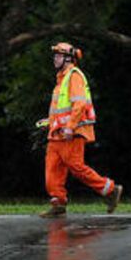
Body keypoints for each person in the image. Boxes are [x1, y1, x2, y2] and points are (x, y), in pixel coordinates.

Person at [38, 42, 122, 218]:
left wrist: (70, 127)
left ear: (69, 59)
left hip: (72, 133)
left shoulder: (74, 76)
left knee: (76, 167)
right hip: (57, 134)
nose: (55, 59)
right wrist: (49, 122)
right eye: (55, 56)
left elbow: (80, 104)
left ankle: (110, 190)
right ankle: (58, 204)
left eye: (59, 56)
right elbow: (61, 109)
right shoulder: (61, 79)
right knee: (52, 171)